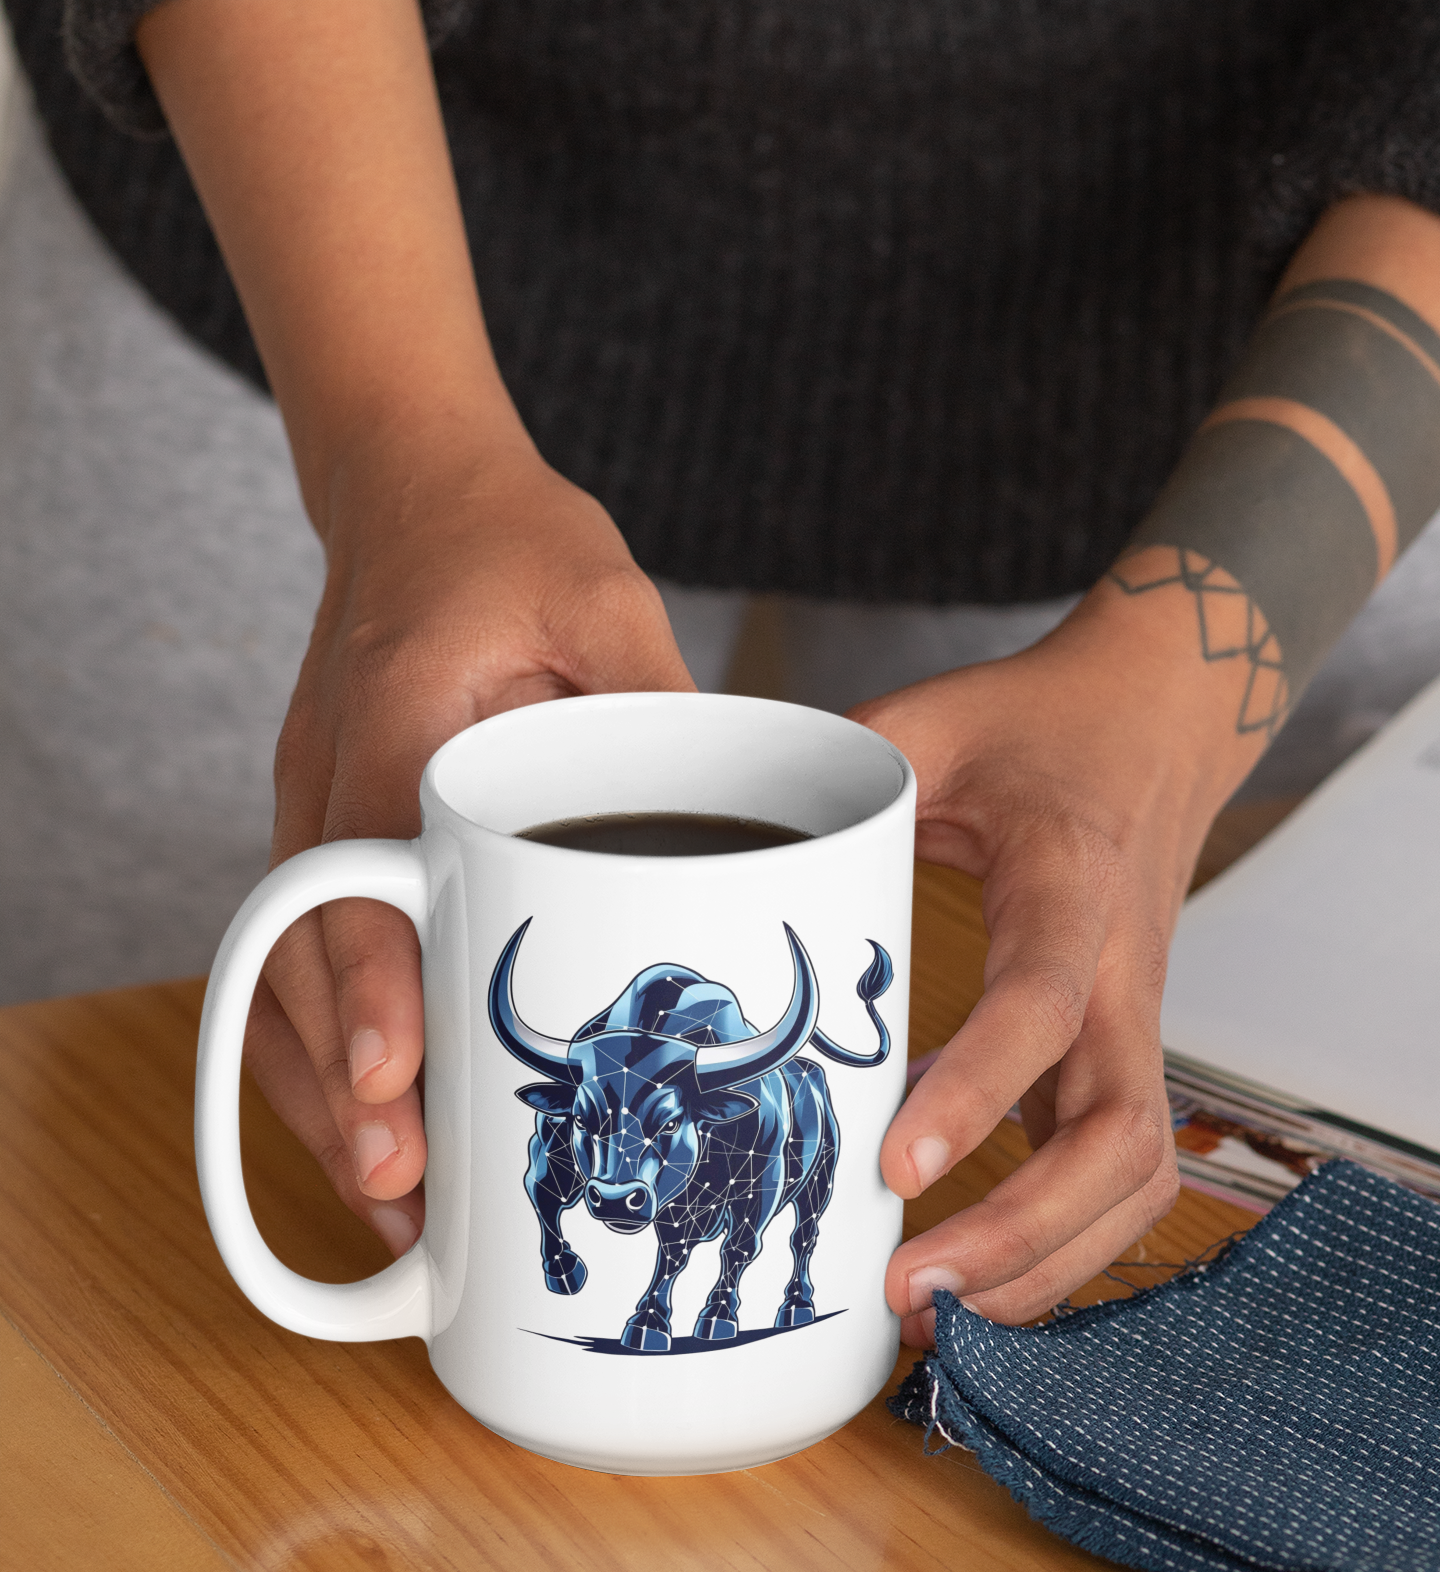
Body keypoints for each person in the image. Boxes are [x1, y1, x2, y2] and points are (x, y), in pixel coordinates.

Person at [5, 0, 1440, 1339]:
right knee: (104, 1189)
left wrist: (1179, 699)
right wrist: (395, 452)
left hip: (1257, 333)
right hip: (308, 185)